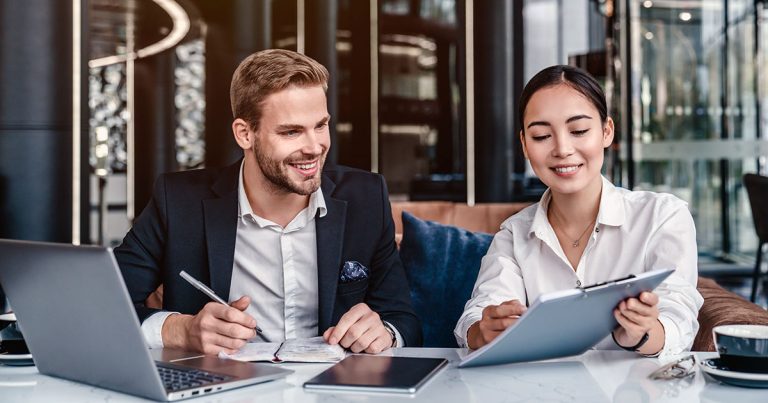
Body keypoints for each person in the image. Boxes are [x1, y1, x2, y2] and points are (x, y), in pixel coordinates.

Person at [115, 49, 421, 355]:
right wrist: (178, 330)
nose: (315, 147)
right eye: (291, 132)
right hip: (223, 389)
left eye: (321, 125)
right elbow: (101, 303)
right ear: (245, 134)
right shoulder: (179, 201)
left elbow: (403, 320)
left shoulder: (366, 197)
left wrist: (386, 333)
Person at [454, 65, 703, 357]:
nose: (562, 148)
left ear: (607, 131)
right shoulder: (514, 234)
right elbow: (479, 313)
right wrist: (484, 331)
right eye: (541, 136)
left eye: (579, 130)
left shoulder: (662, 217)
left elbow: (679, 316)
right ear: (524, 144)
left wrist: (643, 332)